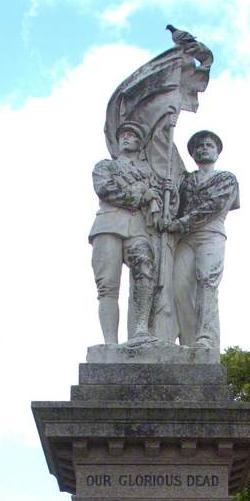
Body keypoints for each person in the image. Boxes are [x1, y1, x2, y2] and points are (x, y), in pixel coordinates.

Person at [89, 121, 163, 344]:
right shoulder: (105, 167)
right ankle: (110, 342)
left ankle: (140, 329)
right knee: (108, 286)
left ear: (140, 143)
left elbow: (159, 204)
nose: (126, 138)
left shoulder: (151, 174)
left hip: (138, 229)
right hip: (108, 226)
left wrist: (159, 198)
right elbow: (106, 190)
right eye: (123, 135)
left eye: (131, 135)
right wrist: (141, 196)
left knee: (145, 271)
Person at [167, 129, 239, 352]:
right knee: (178, 288)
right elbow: (174, 207)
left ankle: (206, 338)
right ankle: (189, 341)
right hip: (185, 239)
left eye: (208, 145)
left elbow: (213, 207)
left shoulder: (226, 179)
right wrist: (168, 193)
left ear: (217, 151)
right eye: (199, 146)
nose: (203, 148)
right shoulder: (185, 181)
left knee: (207, 282)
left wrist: (182, 222)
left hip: (210, 234)